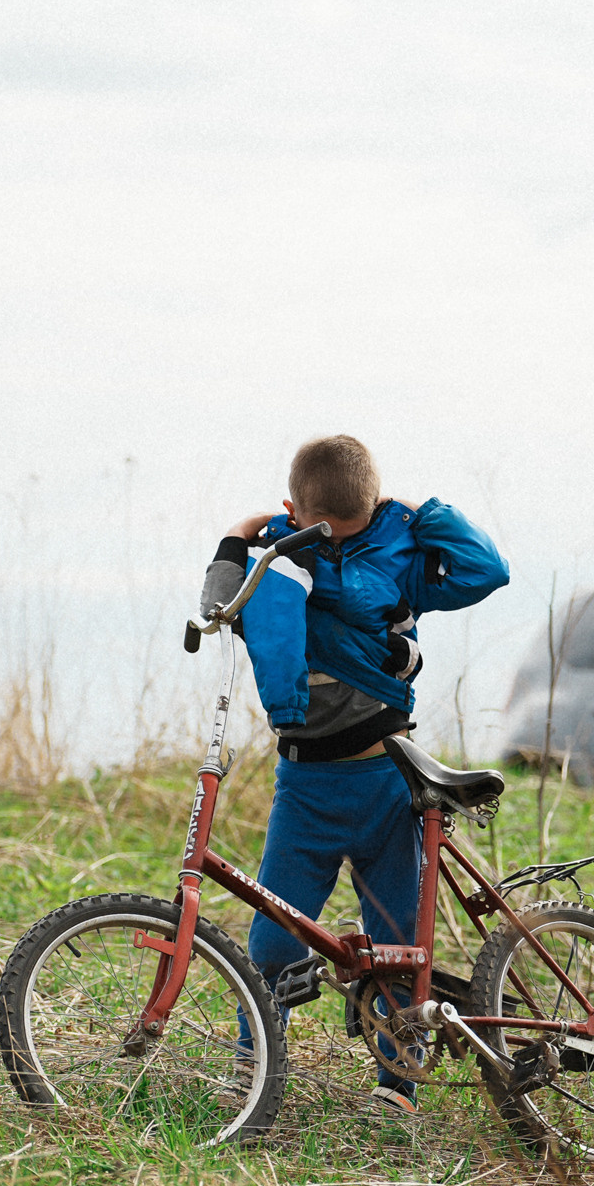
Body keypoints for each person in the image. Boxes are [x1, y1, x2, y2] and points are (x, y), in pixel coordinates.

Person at [199, 435, 508, 1111]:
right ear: (293, 513)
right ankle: (256, 1066)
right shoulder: (281, 556)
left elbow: (487, 572)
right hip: (306, 789)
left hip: (387, 783)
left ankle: (399, 1085)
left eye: (352, 524)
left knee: (398, 943)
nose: (335, 539)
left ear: (372, 509)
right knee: (272, 940)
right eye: (323, 528)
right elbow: (217, 604)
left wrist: (424, 513)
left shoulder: (398, 554)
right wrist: (240, 531)